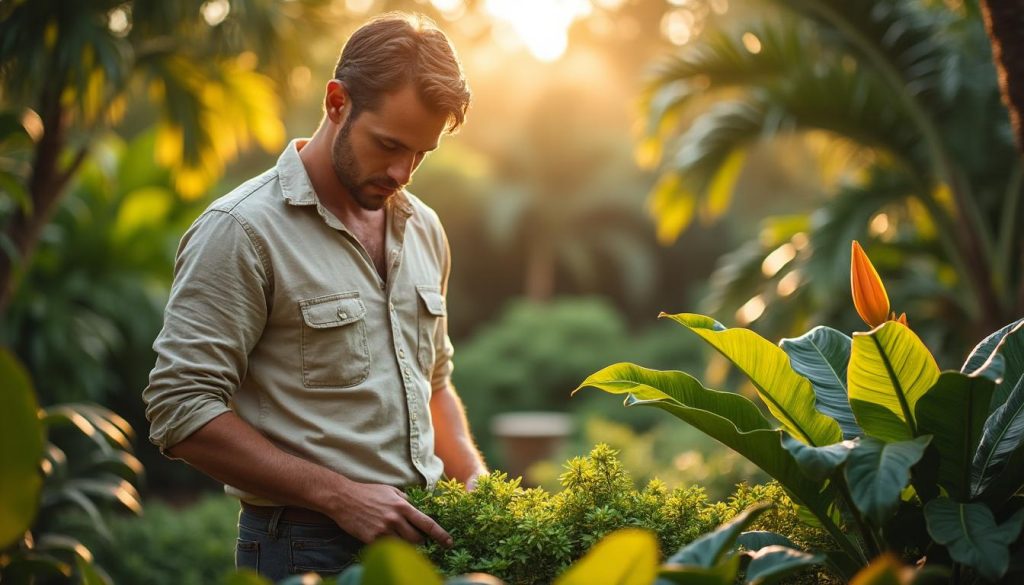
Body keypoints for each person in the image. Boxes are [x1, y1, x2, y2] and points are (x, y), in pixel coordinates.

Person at [143, 13, 487, 581]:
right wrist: (339, 496)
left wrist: (474, 479)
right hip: (302, 547)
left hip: (421, 542)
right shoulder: (241, 230)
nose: (402, 171)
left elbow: (434, 382)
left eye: (421, 153)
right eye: (388, 145)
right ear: (336, 102)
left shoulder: (424, 227)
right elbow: (180, 407)